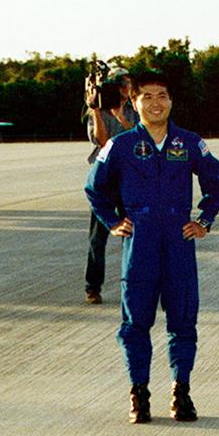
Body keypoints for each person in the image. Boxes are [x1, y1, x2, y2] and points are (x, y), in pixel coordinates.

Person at [84, 73, 219, 424]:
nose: (155, 102)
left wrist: (204, 220)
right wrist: (112, 222)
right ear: (134, 103)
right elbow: (94, 189)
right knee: (135, 323)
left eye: (161, 95)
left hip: (179, 243)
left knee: (182, 323)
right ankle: (139, 392)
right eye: (146, 96)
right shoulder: (120, 146)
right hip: (140, 245)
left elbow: (216, 181)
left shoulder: (190, 143)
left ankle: (182, 391)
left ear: (171, 100)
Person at [84, 69, 136, 304]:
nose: (125, 88)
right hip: (104, 180)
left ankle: (135, 283)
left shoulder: (136, 110)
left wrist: (122, 117)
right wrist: (96, 110)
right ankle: (92, 287)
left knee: (133, 234)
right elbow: (103, 141)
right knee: (97, 238)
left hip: (129, 178)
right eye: (121, 84)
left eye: (127, 83)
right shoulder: (98, 110)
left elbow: (140, 137)